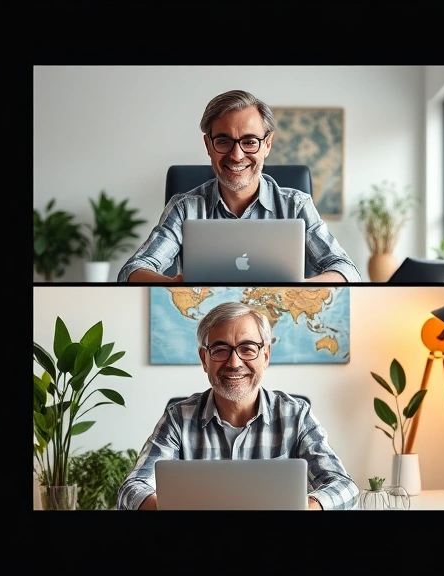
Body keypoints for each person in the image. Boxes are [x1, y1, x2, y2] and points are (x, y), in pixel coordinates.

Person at [116, 302, 358, 510]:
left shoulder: (296, 415)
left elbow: (345, 486)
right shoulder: (178, 417)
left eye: (247, 349)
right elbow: (132, 487)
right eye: (220, 350)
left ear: (266, 356)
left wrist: (308, 507)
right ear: (204, 359)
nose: (234, 362)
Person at [118, 89, 361, 283]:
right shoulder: (184, 208)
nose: (236, 155)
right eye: (223, 141)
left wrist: (303, 288)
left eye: (250, 141)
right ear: (208, 145)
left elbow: (347, 270)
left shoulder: (296, 205)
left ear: (267, 145)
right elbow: (132, 270)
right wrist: (174, 285)